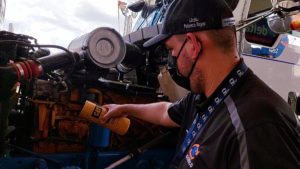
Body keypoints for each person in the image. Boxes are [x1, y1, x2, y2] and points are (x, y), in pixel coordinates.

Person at [103, 0, 300, 168]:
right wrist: (125, 108)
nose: (171, 57)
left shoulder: (257, 126)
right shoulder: (206, 96)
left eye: (171, 49)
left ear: (193, 45)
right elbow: (166, 112)